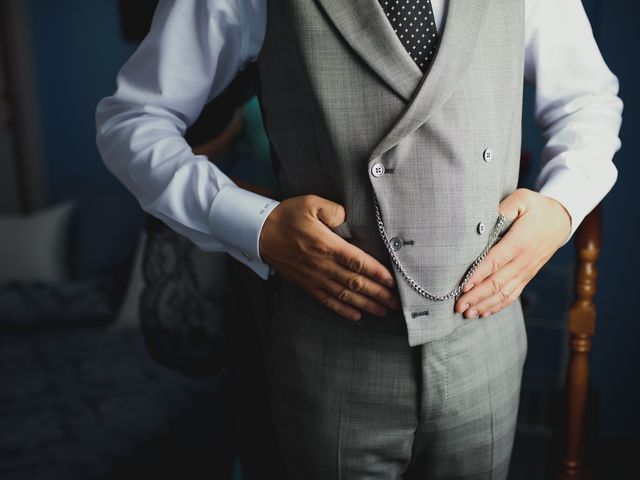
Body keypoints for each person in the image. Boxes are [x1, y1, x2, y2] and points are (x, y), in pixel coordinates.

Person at [95, 0, 623, 478]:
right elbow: (133, 120)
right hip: (331, 357)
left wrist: (562, 207)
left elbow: (588, 102)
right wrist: (254, 223)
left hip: (487, 346)